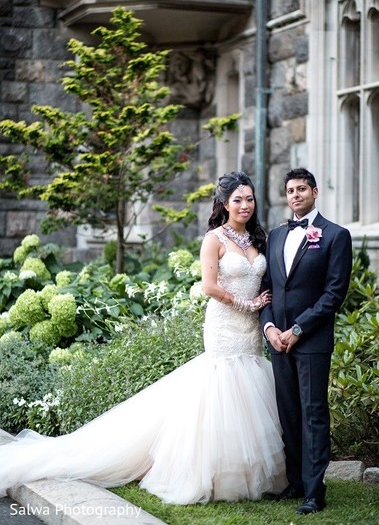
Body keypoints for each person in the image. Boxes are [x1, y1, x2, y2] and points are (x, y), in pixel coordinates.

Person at [0, 171, 287, 504]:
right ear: (224, 203)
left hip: (251, 330)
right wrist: (247, 303)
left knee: (249, 386)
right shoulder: (214, 239)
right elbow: (209, 286)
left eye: (249, 199)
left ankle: (254, 471)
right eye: (237, 199)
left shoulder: (255, 239)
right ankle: (219, 475)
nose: (245, 205)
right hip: (225, 324)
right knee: (224, 387)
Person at [260, 167, 352, 515]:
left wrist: (297, 330)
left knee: (313, 414)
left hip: (310, 341)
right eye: (290, 190)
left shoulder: (335, 235)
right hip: (277, 342)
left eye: (301, 189)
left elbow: (333, 294)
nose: (295, 195)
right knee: (288, 414)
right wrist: (270, 330)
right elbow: (266, 289)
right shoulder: (275, 236)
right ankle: (295, 483)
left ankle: (315, 491)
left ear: (315, 192)